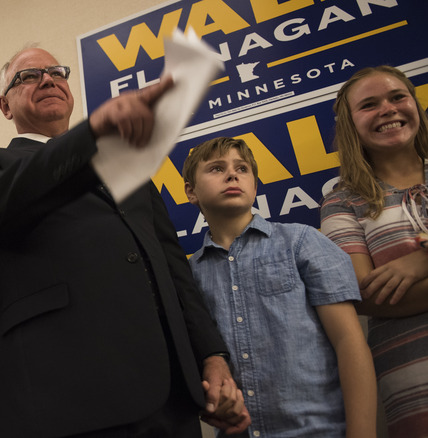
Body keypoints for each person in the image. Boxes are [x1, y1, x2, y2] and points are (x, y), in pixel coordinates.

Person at [0, 46, 249, 438]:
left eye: (56, 72)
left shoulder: (130, 170)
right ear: (5, 106)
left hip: (170, 401)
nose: (48, 79)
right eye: (29, 75)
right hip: (62, 403)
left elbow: (174, 271)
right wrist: (91, 136)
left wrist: (212, 356)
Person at [182, 136, 377, 437]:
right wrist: (212, 407)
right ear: (190, 192)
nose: (233, 174)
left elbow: (349, 342)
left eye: (242, 168)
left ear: (255, 187)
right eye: (217, 168)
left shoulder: (301, 241)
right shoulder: (189, 275)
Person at [320, 65, 428, 437]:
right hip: (416, 384)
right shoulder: (342, 204)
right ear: (350, 125)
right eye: (369, 104)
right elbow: (366, 295)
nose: (388, 108)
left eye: (398, 96)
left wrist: (420, 262)